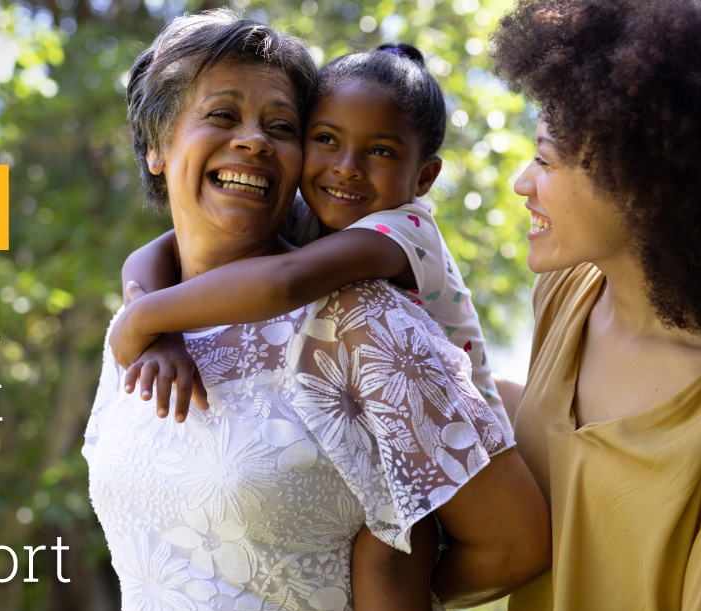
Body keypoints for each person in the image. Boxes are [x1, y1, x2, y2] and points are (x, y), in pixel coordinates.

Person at [84, 11, 549, 611]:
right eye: (223, 115)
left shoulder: (363, 307)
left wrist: (366, 601)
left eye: (280, 125)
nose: (253, 141)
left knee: (389, 554)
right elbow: (157, 255)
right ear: (155, 146)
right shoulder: (149, 320)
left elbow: (513, 542)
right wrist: (151, 323)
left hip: (419, 496)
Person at [111, 43, 511, 429]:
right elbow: (160, 249)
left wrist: (143, 318)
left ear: (424, 177)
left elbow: (286, 282)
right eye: (326, 140)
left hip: (467, 443)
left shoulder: (403, 232)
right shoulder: (310, 213)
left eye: (381, 151)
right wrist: (163, 335)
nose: (347, 167)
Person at [487, 0, 701, 611]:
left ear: (638, 179)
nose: (522, 183)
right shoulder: (565, 293)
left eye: (545, 158)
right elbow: (564, 449)